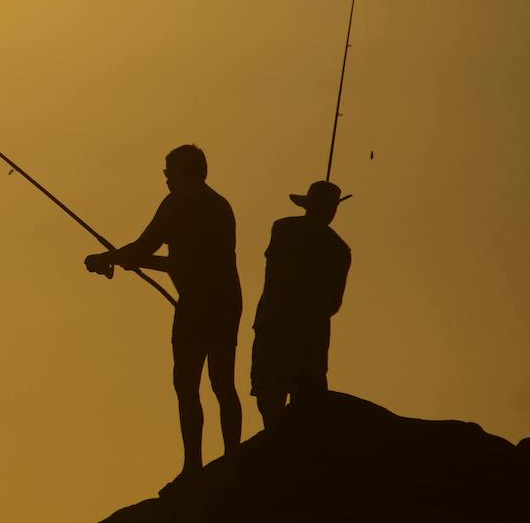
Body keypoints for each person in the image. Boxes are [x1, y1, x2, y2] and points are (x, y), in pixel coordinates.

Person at [84, 144, 243, 491]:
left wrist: (106, 258)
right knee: (222, 382)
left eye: (169, 171)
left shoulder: (178, 204)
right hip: (227, 301)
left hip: (198, 303)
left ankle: (193, 468)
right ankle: (234, 459)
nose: (166, 178)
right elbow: (180, 261)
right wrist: (126, 259)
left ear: (185, 172)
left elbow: (145, 246)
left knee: (187, 384)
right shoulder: (220, 206)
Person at [250, 180, 352, 428]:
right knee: (303, 402)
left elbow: (273, 271)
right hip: (309, 335)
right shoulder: (339, 249)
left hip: (277, 327)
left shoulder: (283, 229)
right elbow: (333, 304)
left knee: (271, 397)